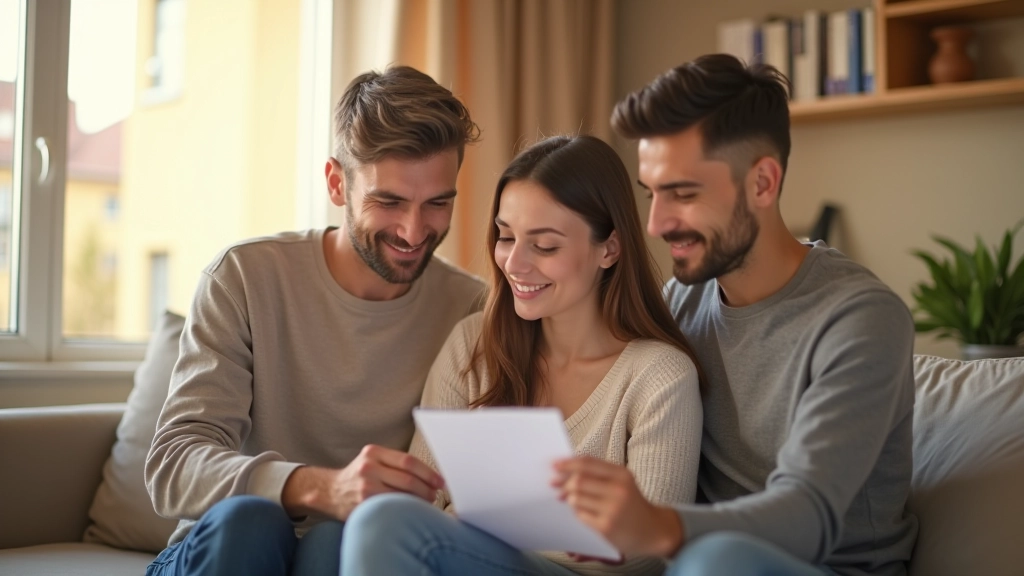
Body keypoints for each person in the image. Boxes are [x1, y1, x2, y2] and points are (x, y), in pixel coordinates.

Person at [553, 54, 919, 576]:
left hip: (809, 567)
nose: (655, 224)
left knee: (717, 561)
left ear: (763, 184)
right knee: (403, 525)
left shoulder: (860, 320)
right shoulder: (684, 299)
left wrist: (662, 528)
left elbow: (807, 516)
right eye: (652, 193)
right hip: (686, 562)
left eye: (682, 193)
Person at [143, 65, 485, 576]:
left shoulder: (470, 308)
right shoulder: (244, 277)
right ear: (335, 182)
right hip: (226, 550)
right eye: (388, 201)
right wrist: (321, 487)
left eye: (437, 203)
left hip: (355, 555)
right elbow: (172, 466)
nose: (414, 231)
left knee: (335, 541)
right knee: (252, 523)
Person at [339, 134, 704, 576]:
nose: (514, 263)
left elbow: (646, 551)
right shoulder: (474, 346)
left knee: (384, 524)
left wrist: (474, 527)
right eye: (506, 237)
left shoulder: (659, 376)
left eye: (545, 245)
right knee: (334, 539)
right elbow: (422, 495)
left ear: (609, 248)